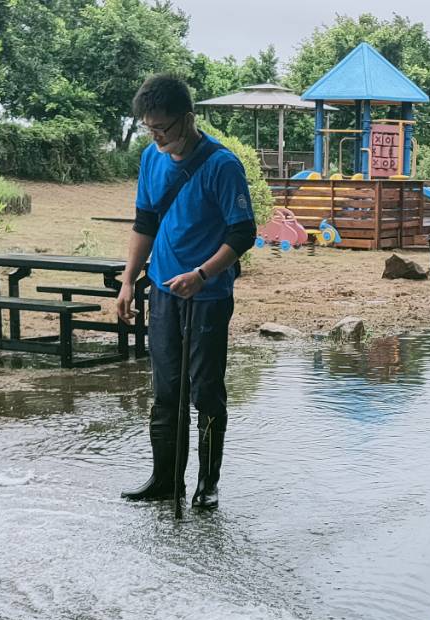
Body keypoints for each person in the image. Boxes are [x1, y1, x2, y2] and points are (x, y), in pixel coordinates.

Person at [115, 73, 257, 510]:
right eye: (149, 128)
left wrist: (203, 274)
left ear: (188, 119)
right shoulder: (151, 158)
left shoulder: (222, 165)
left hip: (207, 297)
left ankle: (207, 483)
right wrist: (127, 281)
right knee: (165, 390)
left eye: (164, 128)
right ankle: (165, 479)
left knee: (205, 392)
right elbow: (145, 223)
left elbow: (243, 232)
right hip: (163, 289)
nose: (157, 137)